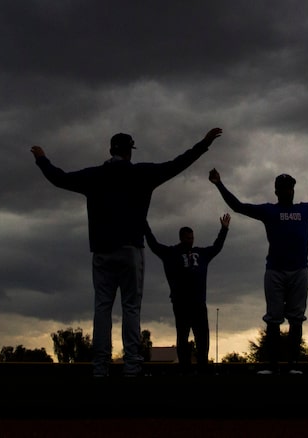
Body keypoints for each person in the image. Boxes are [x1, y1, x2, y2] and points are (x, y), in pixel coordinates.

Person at [33, 128, 223, 376]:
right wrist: (204, 144)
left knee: (102, 308)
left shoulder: (96, 175)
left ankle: (100, 368)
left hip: (102, 250)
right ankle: (132, 366)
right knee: (131, 307)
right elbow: (177, 164)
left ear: (111, 150)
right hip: (131, 249)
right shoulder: (141, 173)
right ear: (128, 151)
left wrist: (42, 159)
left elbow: (60, 178)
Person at [215, 162, 308, 372]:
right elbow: (238, 206)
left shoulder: (304, 209)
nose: (286, 191)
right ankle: (271, 366)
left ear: (293, 189)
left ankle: (293, 365)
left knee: (296, 319)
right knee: (273, 319)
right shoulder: (268, 211)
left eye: (289, 187)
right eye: (282, 188)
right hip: (274, 271)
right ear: (276, 191)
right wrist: (219, 184)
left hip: (299, 270)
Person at [143, 213, 230, 371]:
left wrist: (224, 229)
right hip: (181, 303)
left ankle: (202, 366)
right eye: (188, 238)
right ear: (181, 238)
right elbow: (153, 244)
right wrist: (144, 223)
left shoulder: (200, 253)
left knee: (202, 338)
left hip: (198, 303)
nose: (191, 241)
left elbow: (216, 247)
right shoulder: (171, 253)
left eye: (192, 238)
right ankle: (184, 368)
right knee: (183, 336)